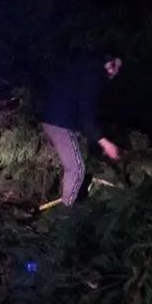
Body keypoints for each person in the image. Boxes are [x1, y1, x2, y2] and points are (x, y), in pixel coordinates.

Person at [39, 47, 122, 207]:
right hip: (59, 121)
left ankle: (67, 197)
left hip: (51, 117)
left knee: (72, 160)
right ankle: (66, 212)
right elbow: (87, 120)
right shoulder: (93, 77)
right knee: (76, 168)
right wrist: (107, 144)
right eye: (116, 66)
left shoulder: (86, 69)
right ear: (109, 64)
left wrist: (98, 139)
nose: (117, 72)